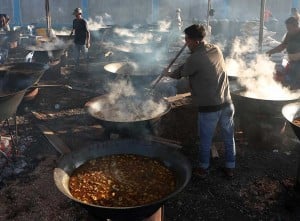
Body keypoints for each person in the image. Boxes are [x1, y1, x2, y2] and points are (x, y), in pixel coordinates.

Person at [166, 24, 236, 178]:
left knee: (205, 139)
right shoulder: (215, 49)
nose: (186, 43)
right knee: (228, 137)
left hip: (210, 107)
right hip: (227, 102)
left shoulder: (195, 58)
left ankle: (203, 169)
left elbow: (180, 73)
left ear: (195, 41)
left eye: (187, 40)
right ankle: (230, 167)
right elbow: (192, 64)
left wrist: (168, 73)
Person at [266, 17, 300, 89]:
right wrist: (270, 52)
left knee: (296, 84)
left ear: (295, 26)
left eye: (289, 28)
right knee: (285, 81)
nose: (287, 30)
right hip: (291, 61)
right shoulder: (289, 34)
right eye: (287, 28)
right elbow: (283, 46)